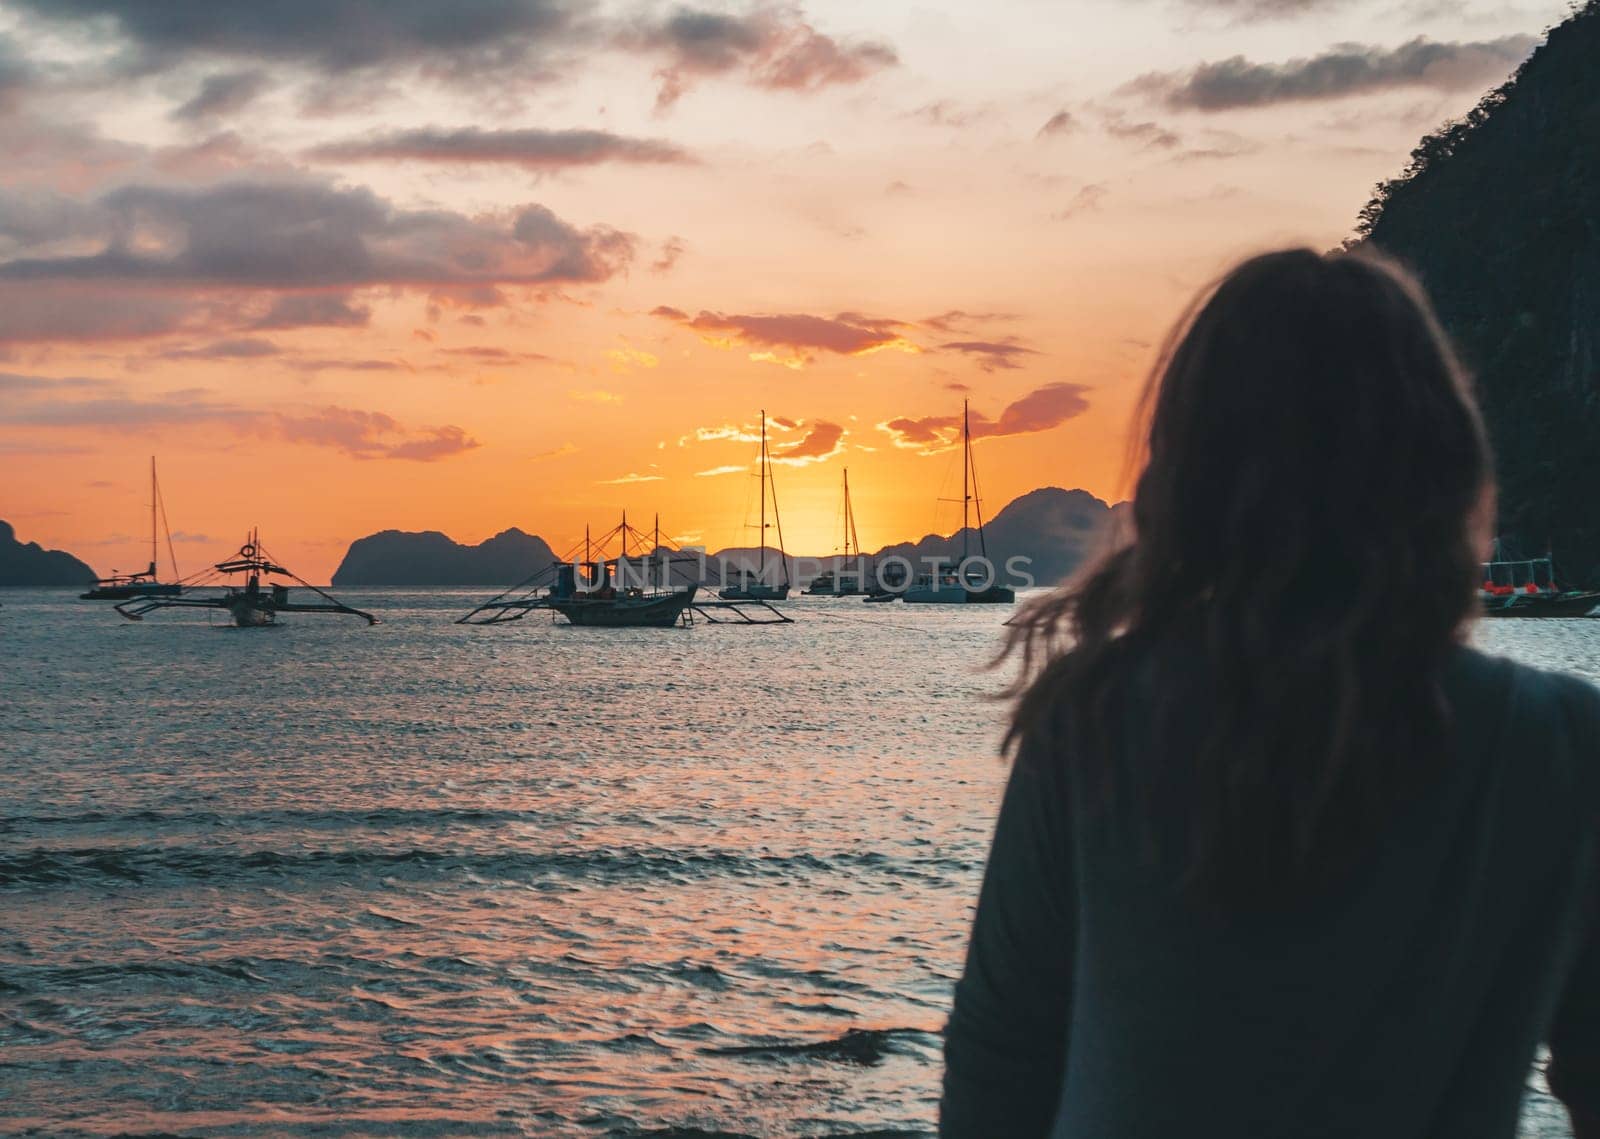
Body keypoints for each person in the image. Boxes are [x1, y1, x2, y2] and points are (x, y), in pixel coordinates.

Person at [940, 248, 1600, 1138]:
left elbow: (997, 1070)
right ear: (1442, 459)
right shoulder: (1558, 746)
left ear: (1185, 471)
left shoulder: (1095, 719)